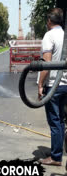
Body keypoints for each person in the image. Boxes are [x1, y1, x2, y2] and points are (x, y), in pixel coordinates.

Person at [38, 8, 66, 166]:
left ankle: (55, 157)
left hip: (54, 85)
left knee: (54, 121)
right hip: (65, 85)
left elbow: (47, 64)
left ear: (49, 21)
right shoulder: (65, 35)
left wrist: (40, 84)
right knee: (61, 120)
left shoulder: (49, 36)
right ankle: (58, 151)